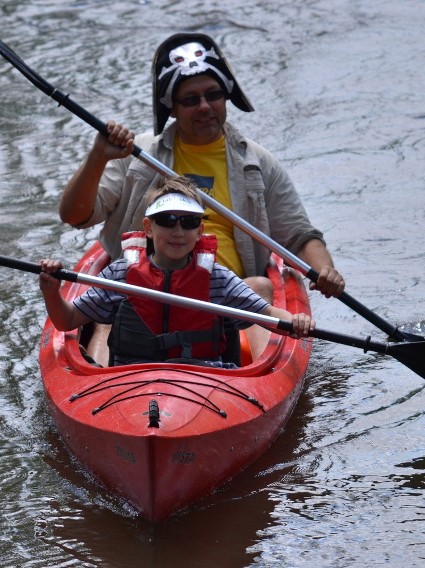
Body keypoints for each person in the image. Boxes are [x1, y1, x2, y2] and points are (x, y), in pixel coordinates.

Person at [57, 33, 344, 357]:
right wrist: (98, 156)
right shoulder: (136, 155)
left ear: (226, 97)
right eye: (191, 99)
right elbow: (75, 216)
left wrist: (325, 271)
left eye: (213, 95)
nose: (205, 106)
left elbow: (299, 235)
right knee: (113, 301)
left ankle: (256, 381)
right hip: (138, 289)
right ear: (172, 107)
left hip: (226, 295)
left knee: (260, 287)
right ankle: (101, 385)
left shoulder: (259, 163)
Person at [40, 177, 315, 367]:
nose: (178, 231)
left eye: (188, 222)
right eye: (167, 221)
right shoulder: (121, 275)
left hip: (207, 383)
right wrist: (50, 291)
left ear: (200, 232)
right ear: (148, 228)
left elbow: (268, 316)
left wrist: (297, 321)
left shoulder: (217, 280)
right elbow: (67, 320)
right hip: (129, 383)